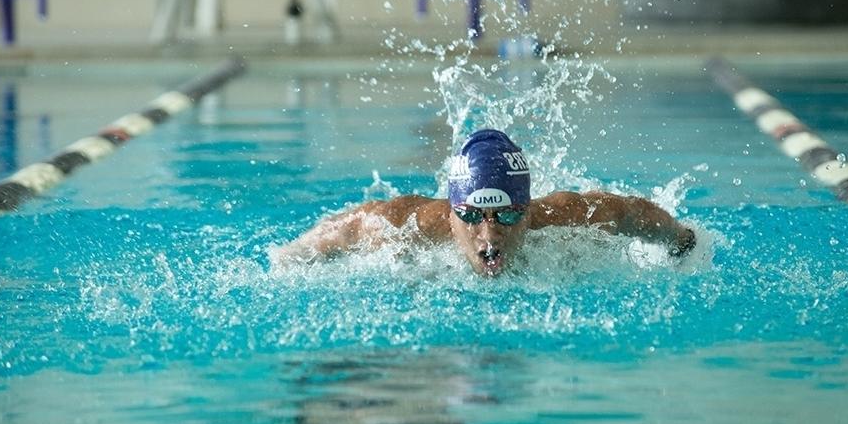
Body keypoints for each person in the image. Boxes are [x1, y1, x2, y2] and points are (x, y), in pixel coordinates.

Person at [273, 129, 696, 276]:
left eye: (508, 215)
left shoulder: (564, 217)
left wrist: (680, 239)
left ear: (528, 211)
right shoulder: (412, 224)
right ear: (452, 211)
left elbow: (628, 212)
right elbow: (352, 225)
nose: (489, 236)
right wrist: (293, 256)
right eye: (472, 217)